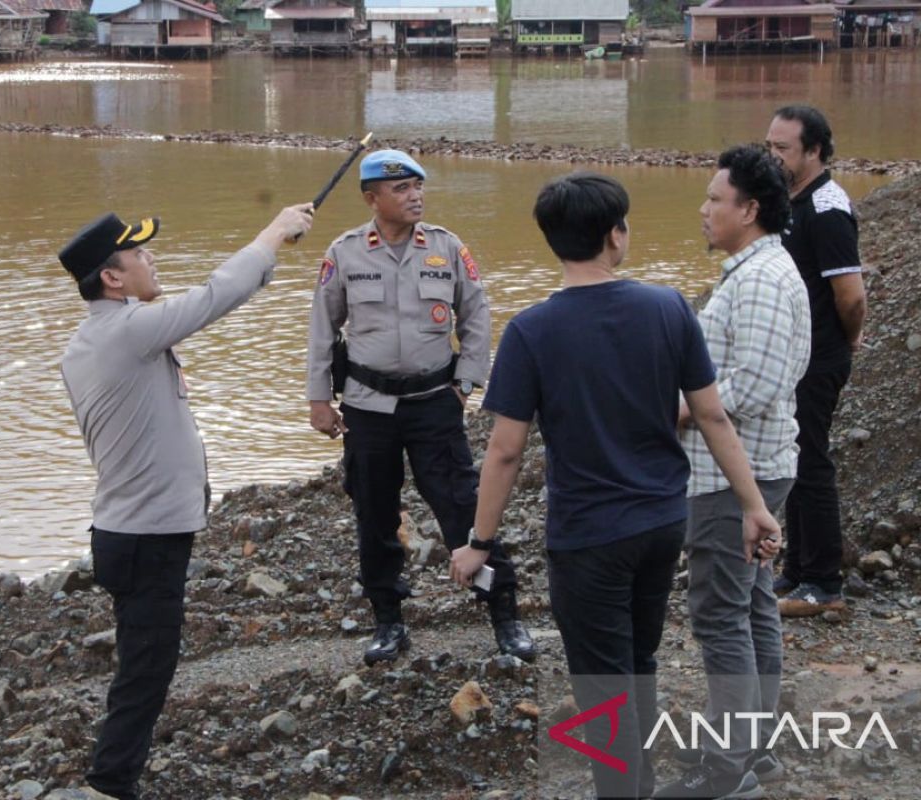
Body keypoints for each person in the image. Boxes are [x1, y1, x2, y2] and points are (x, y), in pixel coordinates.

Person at [449, 173, 781, 800]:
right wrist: (755, 505)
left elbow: (505, 450)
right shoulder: (668, 307)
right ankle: (640, 785)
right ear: (615, 236)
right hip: (661, 524)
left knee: (602, 685)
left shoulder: (530, 331)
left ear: (553, 242)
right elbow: (712, 416)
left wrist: (479, 542)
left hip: (588, 538)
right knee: (639, 664)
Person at [58, 203, 313, 800]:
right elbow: (212, 297)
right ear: (112, 278)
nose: (152, 260)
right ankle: (108, 783)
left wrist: (268, 254)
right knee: (146, 670)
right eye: (140, 254)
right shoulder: (127, 330)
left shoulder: (106, 335)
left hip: (133, 530)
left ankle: (115, 774)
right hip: (143, 536)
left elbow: (212, 302)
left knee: (144, 663)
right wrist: (273, 234)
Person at [306, 149, 535, 666]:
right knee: (375, 515)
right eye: (401, 189)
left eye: (418, 186)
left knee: (464, 506)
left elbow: (476, 315)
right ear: (372, 199)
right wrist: (319, 398)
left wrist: (467, 384)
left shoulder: (447, 248)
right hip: (367, 408)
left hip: (435, 402)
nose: (415, 196)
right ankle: (389, 621)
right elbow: (323, 327)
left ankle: (504, 614)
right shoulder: (345, 253)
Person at [654, 147, 810, 799]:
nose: (705, 209)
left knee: (723, 614)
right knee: (750, 608)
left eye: (716, 199)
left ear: (749, 210)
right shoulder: (754, 272)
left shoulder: (763, 280)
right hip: (746, 471)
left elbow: (758, 381)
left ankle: (725, 768)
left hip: (734, 478)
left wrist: (679, 407)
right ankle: (755, 748)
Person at [765, 105, 867, 616]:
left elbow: (850, 295)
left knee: (813, 462)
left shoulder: (827, 208)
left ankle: (824, 582)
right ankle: (797, 570)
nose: (774, 156)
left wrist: (845, 343)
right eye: (770, 146)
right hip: (794, 354)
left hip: (819, 356)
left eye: (783, 148)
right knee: (795, 458)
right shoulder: (791, 200)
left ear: (815, 152)